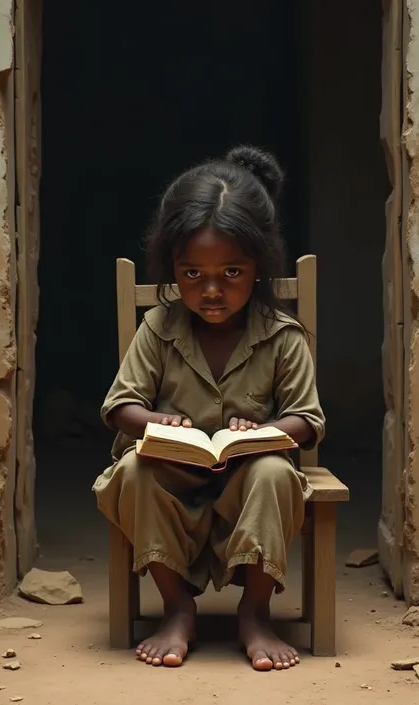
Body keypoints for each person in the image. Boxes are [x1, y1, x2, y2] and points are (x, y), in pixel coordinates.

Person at [93, 145, 325, 671]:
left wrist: (263, 431)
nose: (212, 290)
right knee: (133, 468)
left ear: (260, 267)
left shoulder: (282, 336)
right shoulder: (159, 327)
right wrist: (157, 423)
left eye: (233, 273)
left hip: (246, 484)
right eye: (192, 274)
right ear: (172, 265)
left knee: (274, 473)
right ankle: (177, 608)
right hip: (175, 480)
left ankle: (255, 612)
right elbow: (119, 405)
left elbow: (307, 420)